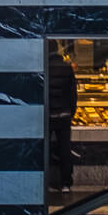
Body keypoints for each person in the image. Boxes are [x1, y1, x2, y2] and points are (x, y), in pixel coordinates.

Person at [47, 44, 78, 190]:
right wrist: (71, 112)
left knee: (45, 149)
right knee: (65, 149)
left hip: (47, 116)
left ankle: (44, 182)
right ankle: (66, 183)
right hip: (64, 115)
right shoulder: (67, 68)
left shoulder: (43, 68)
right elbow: (73, 94)